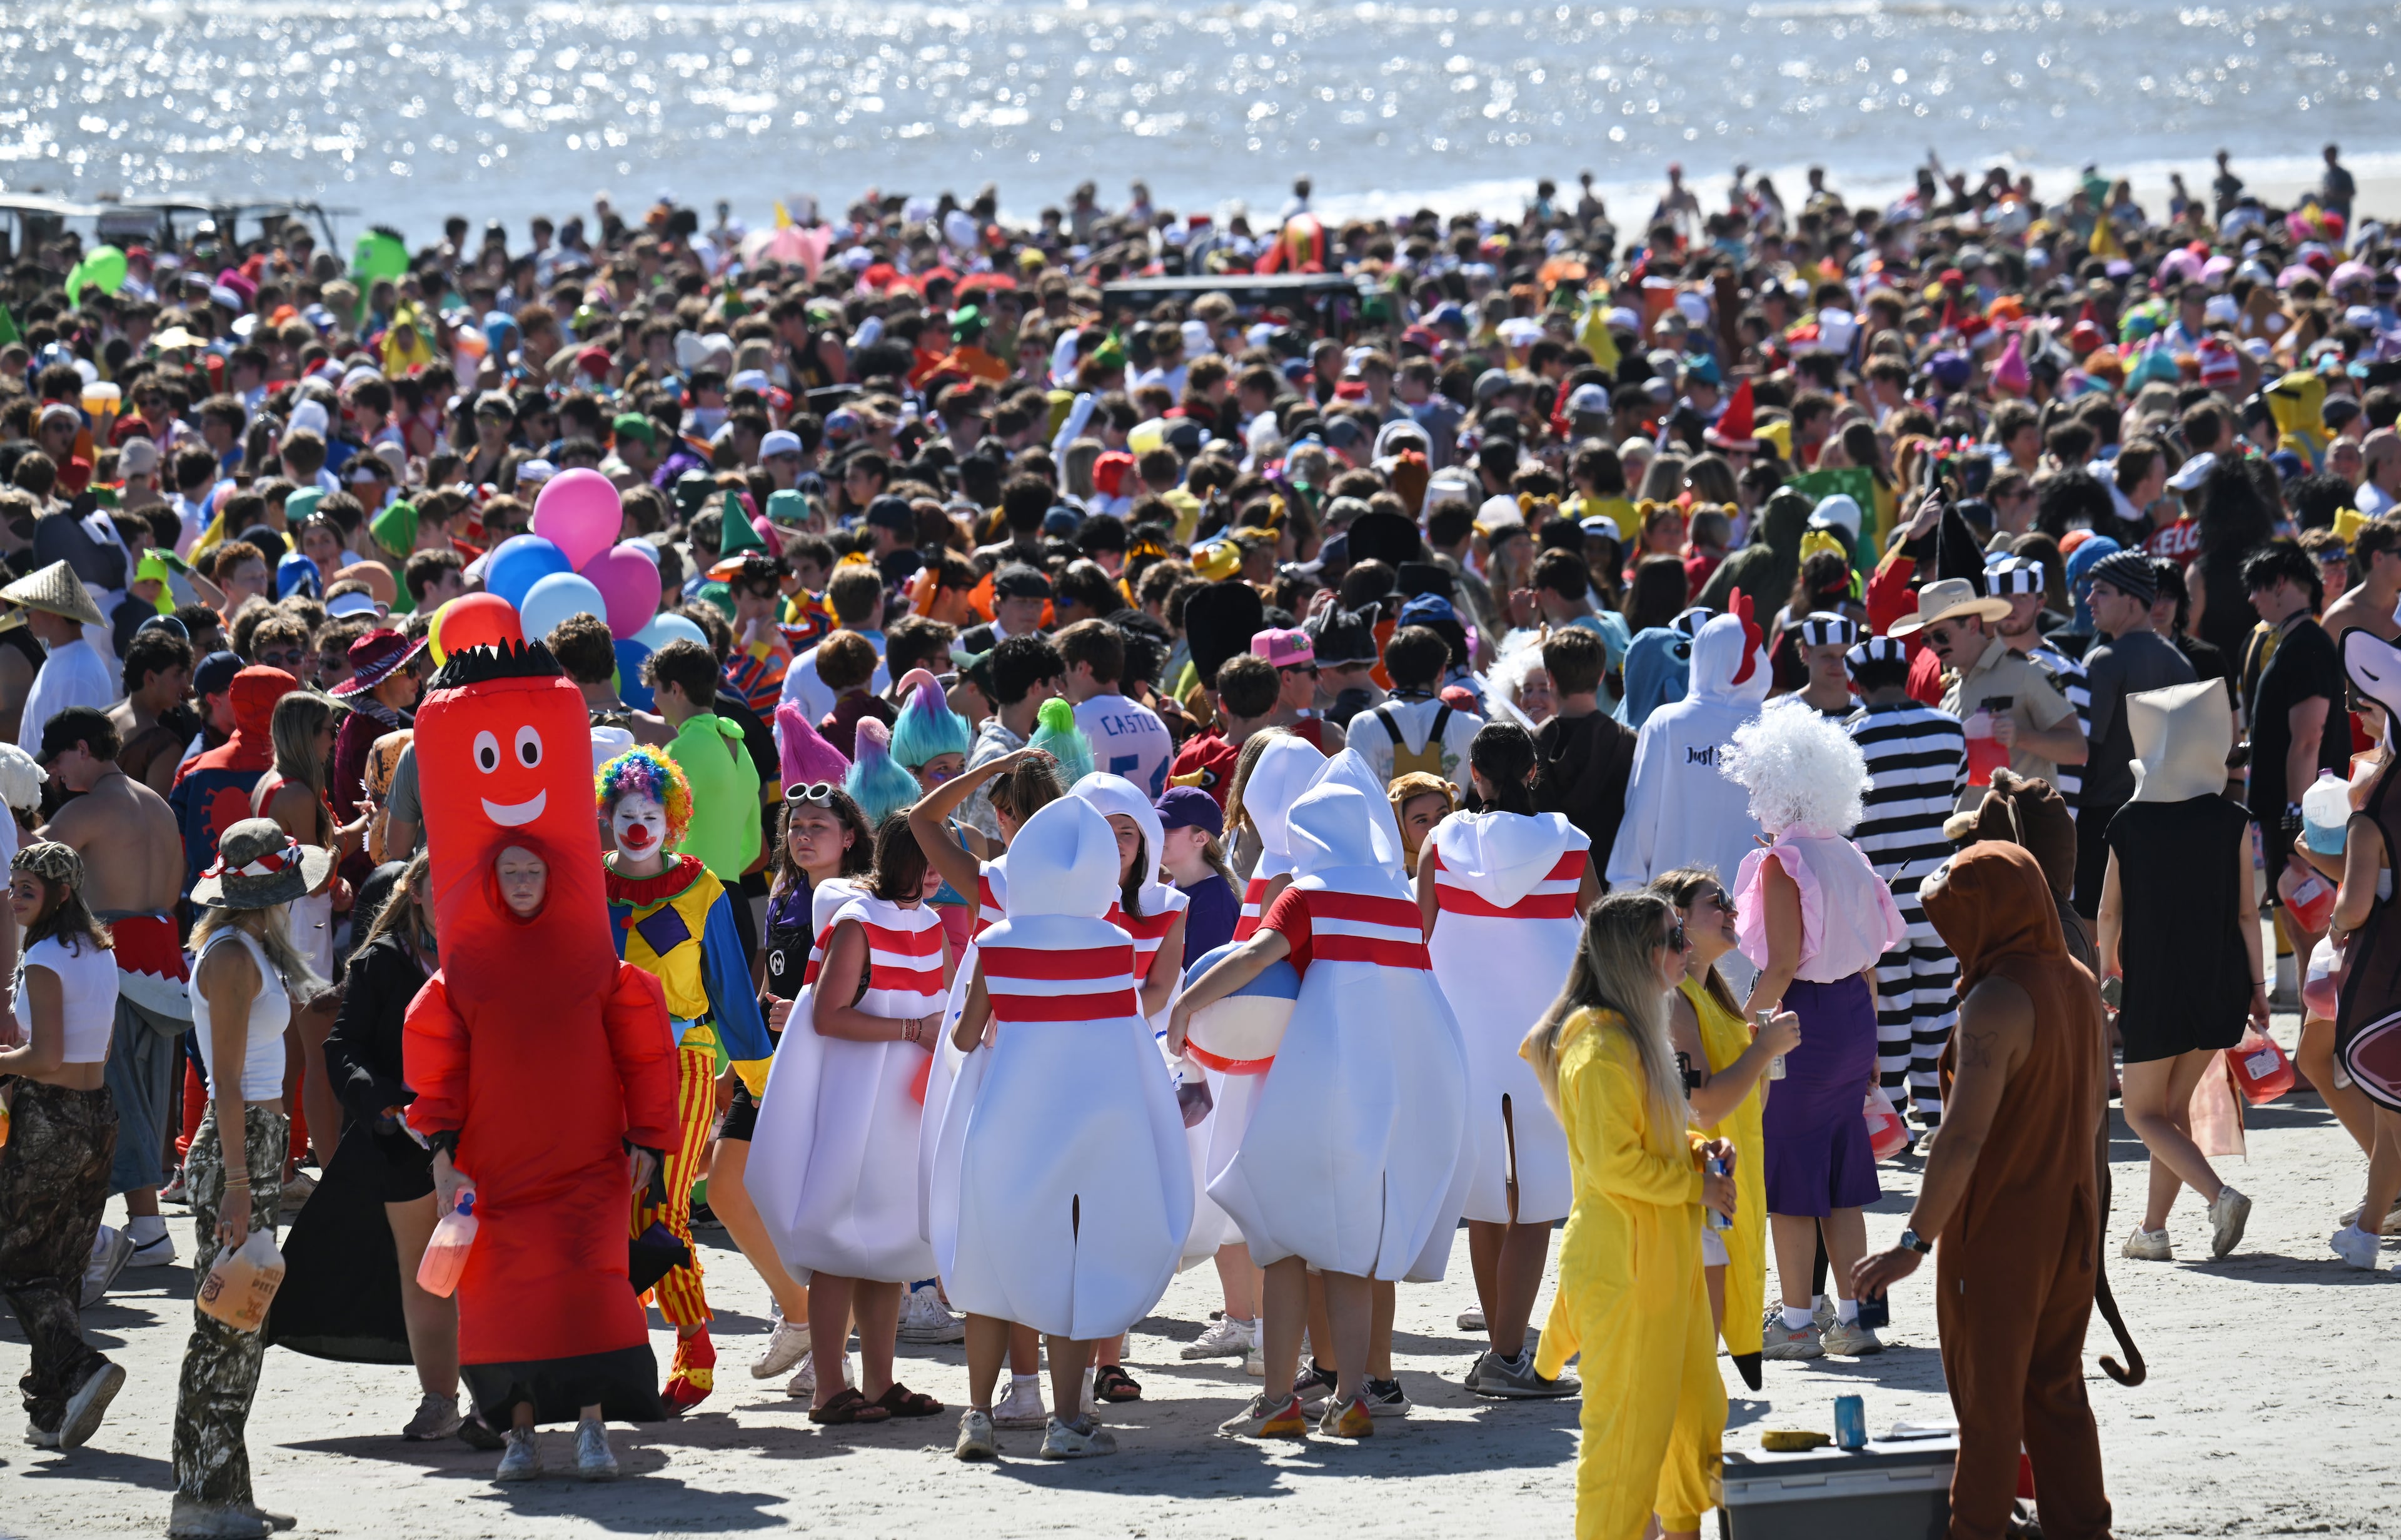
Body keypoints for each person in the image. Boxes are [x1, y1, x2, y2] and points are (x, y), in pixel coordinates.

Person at [402, 633, 682, 1483]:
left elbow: (643, 1046)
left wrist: (649, 1141)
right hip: (499, 1162)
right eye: (509, 870)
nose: (522, 878)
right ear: (494, 880)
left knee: (591, 1286)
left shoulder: (593, 960)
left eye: (533, 869)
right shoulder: (467, 973)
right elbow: (437, 1065)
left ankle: (594, 1429)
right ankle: (520, 1434)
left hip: (589, 1158)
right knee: (507, 1300)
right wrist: (444, 1154)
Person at [1174, 778, 1468, 1441]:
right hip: (1395, 1090)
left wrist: (1188, 1006)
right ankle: (1353, 1396)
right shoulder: (1395, 903)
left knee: (1279, 1240)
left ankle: (1278, 1401)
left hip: (1320, 1085)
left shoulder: (1309, 894)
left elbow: (1255, 957)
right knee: (1352, 1251)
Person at [1856, 842, 2114, 1540]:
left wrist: (1914, 1240)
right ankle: (2085, 1530)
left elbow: (1962, 1137)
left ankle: (1977, 1531)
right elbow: (2093, 1115)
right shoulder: (2082, 982)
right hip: (2072, 1217)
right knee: (2057, 1394)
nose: (1948, 939)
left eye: (1955, 923)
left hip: (2001, 1227)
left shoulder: (1997, 1000)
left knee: (1990, 1404)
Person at [934, 796, 1192, 1461]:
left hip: (1006, 1119)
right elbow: (1127, 1039)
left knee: (991, 1266)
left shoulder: (996, 941)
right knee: (1073, 1264)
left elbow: (965, 1036)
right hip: (1088, 1125)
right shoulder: (1112, 945)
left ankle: (978, 1416)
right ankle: (1068, 1420)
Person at [1521, 892, 1738, 1540]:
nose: (1687, 949)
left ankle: (1680, 1531)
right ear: (1636, 957)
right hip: (1626, 1266)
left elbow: (1651, 1141)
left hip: (1666, 1262)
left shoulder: (1636, 1035)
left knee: (1693, 1420)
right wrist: (1694, 1186)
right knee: (1626, 1448)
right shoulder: (1599, 1049)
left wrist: (1700, 1152)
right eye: (1674, 938)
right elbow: (1615, 1166)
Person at [747, 814, 952, 1427]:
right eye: (932, 854)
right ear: (903, 860)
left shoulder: (932, 922)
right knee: (838, 1242)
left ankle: (881, 1383)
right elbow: (828, 1017)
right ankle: (830, 1388)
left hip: (899, 1108)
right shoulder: (857, 925)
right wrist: (916, 1032)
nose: (942, 866)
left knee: (888, 1242)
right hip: (852, 1104)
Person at [1719, 697, 1905, 1359]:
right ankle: (1854, 1318)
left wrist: (1734, 1030)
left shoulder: (1783, 863)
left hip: (1800, 1018)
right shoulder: (1849, 855)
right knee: (1841, 1175)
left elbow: (1781, 964)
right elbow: (1874, 962)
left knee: (1791, 1182)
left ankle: (1797, 1321)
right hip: (1853, 1015)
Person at [1419, 721, 1596, 1394]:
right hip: (1549, 1043)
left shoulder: (1441, 841)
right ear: (1530, 773)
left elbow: (1420, 940)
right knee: (1536, 1200)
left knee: (1488, 1200)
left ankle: (1506, 1351)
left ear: (1477, 776)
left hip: (1463, 1040)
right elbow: (1602, 933)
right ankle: (1509, 1355)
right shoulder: (1570, 841)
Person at [596, 746, 775, 1412]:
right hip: (605, 1063)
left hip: (686, 1056)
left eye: (650, 813)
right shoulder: (590, 882)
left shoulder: (702, 890)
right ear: (608, 819)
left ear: (672, 820)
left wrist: (761, 1082)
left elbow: (730, 989)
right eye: (625, 813)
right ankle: (619, 1350)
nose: (637, 825)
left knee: (662, 1207)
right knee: (608, 1207)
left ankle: (694, 1342)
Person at [174, 818, 331, 1537]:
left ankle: (224, 1488)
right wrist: (238, 1182)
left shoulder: (245, 950)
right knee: (225, 1326)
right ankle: (203, 1497)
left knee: (241, 1319)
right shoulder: (235, 958)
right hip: (240, 1147)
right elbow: (226, 1086)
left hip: (253, 1146)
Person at [2096, 678, 2258, 1262]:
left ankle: (2219, 1196)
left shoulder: (2128, 823)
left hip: (2154, 986)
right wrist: (2260, 988)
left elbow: (2108, 910)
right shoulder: (2232, 820)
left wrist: (2107, 973)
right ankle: (2154, 1230)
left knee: (2142, 1112)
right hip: (2221, 984)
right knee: (2170, 1111)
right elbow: (2246, 912)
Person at [40, 706, 191, 1270]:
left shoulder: (85, 810)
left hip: (113, 965)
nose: (56, 775)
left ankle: (147, 1229)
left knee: (114, 1099)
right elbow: (174, 887)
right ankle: (147, 1225)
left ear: (82, 749)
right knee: (149, 1096)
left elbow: (29, 868)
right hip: (163, 961)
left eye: (58, 761)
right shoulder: (157, 805)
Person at [737, 780, 873, 1395]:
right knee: (733, 1180)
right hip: (771, 1065)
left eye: (819, 825)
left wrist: (810, 1010)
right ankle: (799, 1314)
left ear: (850, 838)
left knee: (828, 1211)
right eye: (795, 827)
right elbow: (771, 975)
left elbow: (885, 986)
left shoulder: (868, 902)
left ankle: (829, 1351)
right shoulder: (785, 893)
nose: (803, 835)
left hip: (837, 1065)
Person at [0, 840, 126, 1452]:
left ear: (61, 894)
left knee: (18, 1262)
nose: (14, 897)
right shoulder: (99, 951)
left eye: (27, 889)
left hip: (49, 1119)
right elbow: (95, 1051)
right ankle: (51, 1409)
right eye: (13, 885)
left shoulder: (46, 957)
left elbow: (43, 1057)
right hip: (97, 1115)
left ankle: (78, 1367)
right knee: (62, 1267)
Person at [1655, 866, 1794, 1393]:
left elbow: (1750, 1103)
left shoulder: (1713, 996)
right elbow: (1705, 1110)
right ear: (1679, 920)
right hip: (1693, 1192)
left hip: (1727, 1184)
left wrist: (1761, 1057)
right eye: (1719, 901)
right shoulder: (1674, 1000)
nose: (1733, 910)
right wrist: (1762, 1050)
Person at [1608, 601, 1771, 996]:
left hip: (1671, 914)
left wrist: (1627, 898)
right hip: (1749, 921)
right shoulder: (1772, 728)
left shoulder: (1668, 722)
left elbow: (1639, 820)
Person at [1842, 637, 1967, 1123]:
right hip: (1942, 892)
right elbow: (1953, 799)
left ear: (1857, 683)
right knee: (1939, 1004)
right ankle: (1936, 1111)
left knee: (1890, 1008)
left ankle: (1891, 1116)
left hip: (1883, 894)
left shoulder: (1849, 739)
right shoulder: (1949, 728)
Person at [2071, 550, 2195, 918]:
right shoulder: (2182, 663)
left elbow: (2083, 753)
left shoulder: (2104, 660)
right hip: (2167, 822)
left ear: (2132, 599)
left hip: (2103, 824)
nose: (2089, 600)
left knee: (2095, 940)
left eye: (2101, 592)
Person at [8, 561, 114, 756]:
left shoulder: (76, 670)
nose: (25, 617)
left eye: (28, 609)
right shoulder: (64, 659)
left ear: (52, 610)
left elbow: (70, 751)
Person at [1059, 619, 1174, 797]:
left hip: (1100, 824)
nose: (1063, 677)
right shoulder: (1155, 721)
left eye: (1065, 667)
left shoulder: (1075, 722)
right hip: (1152, 823)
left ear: (1082, 667)